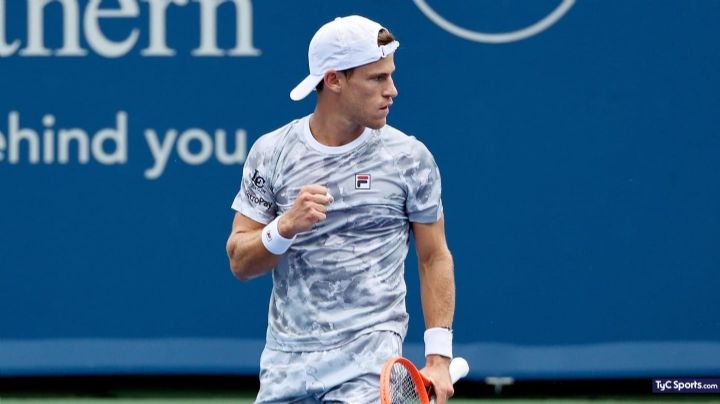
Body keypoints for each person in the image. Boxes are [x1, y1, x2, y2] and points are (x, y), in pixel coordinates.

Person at [226, 15, 456, 404]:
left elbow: (433, 257)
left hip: (369, 372)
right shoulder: (272, 153)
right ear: (334, 80)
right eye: (377, 79)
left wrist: (439, 358)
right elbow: (240, 262)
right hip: (285, 370)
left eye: (390, 75)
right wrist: (284, 227)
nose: (393, 91)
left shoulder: (410, 158)